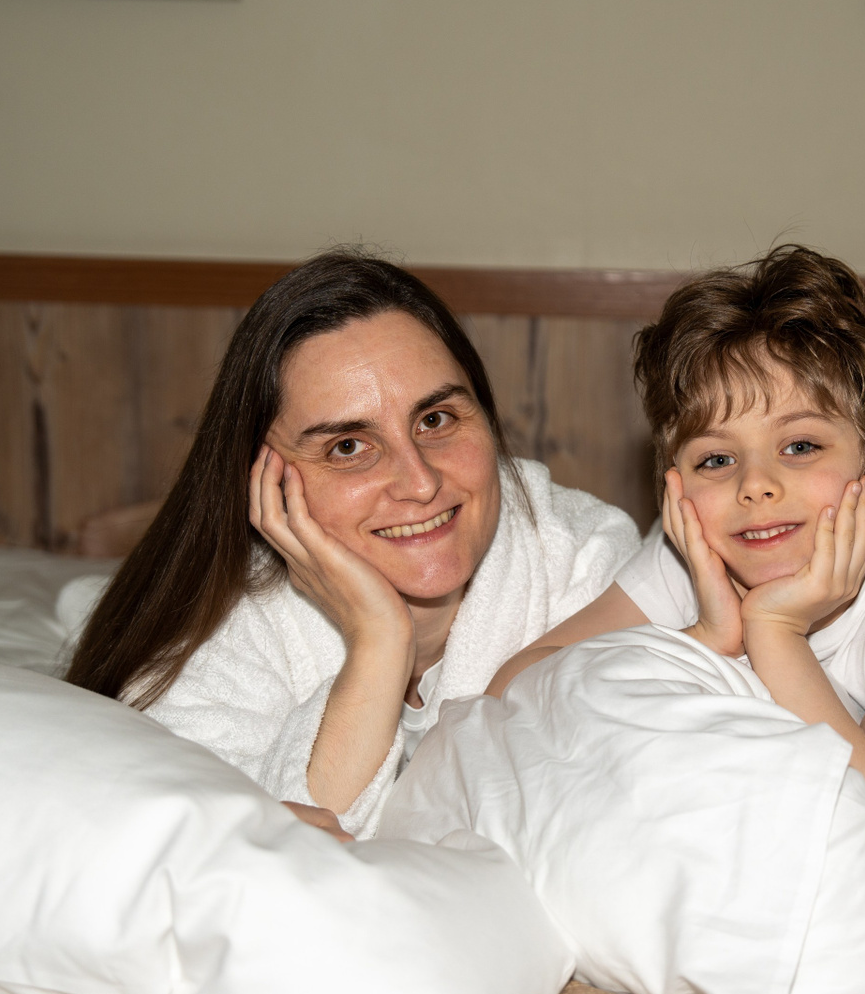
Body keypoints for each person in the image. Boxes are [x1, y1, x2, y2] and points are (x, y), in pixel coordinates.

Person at [67, 251, 640, 838]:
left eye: (435, 419)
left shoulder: (585, 561)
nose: (420, 482)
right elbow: (255, 854)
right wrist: (378, 639)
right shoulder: (215, 636)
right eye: (347, 447)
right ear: (266, 480)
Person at [488, 245, 865, 832]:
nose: (754, 485)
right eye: (716, 459)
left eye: (800, 446)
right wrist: (704, 638)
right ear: (676, 489)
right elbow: (508, 691)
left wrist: (776, 630)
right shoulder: (696, 552)